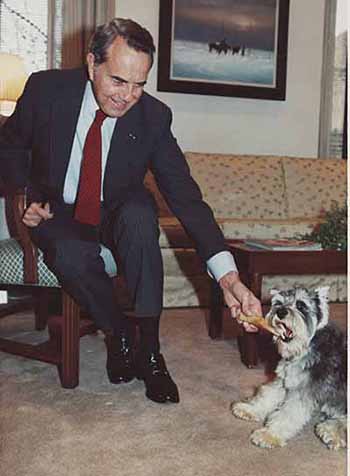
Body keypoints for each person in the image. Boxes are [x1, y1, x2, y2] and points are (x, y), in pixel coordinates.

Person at [0, 18, 262, 404]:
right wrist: (25, 194)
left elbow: (186, 197)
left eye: (139, 84)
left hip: (119, 209)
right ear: (92, 64)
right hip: (57, 210)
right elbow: (10, 146)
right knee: (70, 254)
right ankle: (120, 332)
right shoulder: (46, 89)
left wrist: (228, 280)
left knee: (141, 216)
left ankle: (150, 350)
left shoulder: (153, 117)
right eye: (118, 81)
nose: (127, 95)